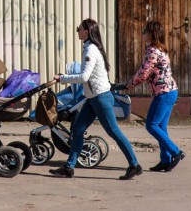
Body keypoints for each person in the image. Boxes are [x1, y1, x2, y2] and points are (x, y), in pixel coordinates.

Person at [49, 18, 142, 180]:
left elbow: (84, 76)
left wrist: (62, 78)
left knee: (114, 132)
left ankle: (134, 165)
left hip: (100, 98)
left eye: (80, 28)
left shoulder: (91, 49)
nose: (78, 31)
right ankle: (69, 167)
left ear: (87, 31)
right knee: (77, 129)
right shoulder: (89, 47)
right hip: (92, 98)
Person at [116, 20, 185, 172]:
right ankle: (165, 160)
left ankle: (175, 152)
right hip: (170, 91)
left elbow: (143, 72)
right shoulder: (160, 49)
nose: (143, 34)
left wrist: (127, 85)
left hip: (164, 93)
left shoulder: (152, 51)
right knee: (161, 127)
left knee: (151, 125)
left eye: (145, 31)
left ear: (152, 34)